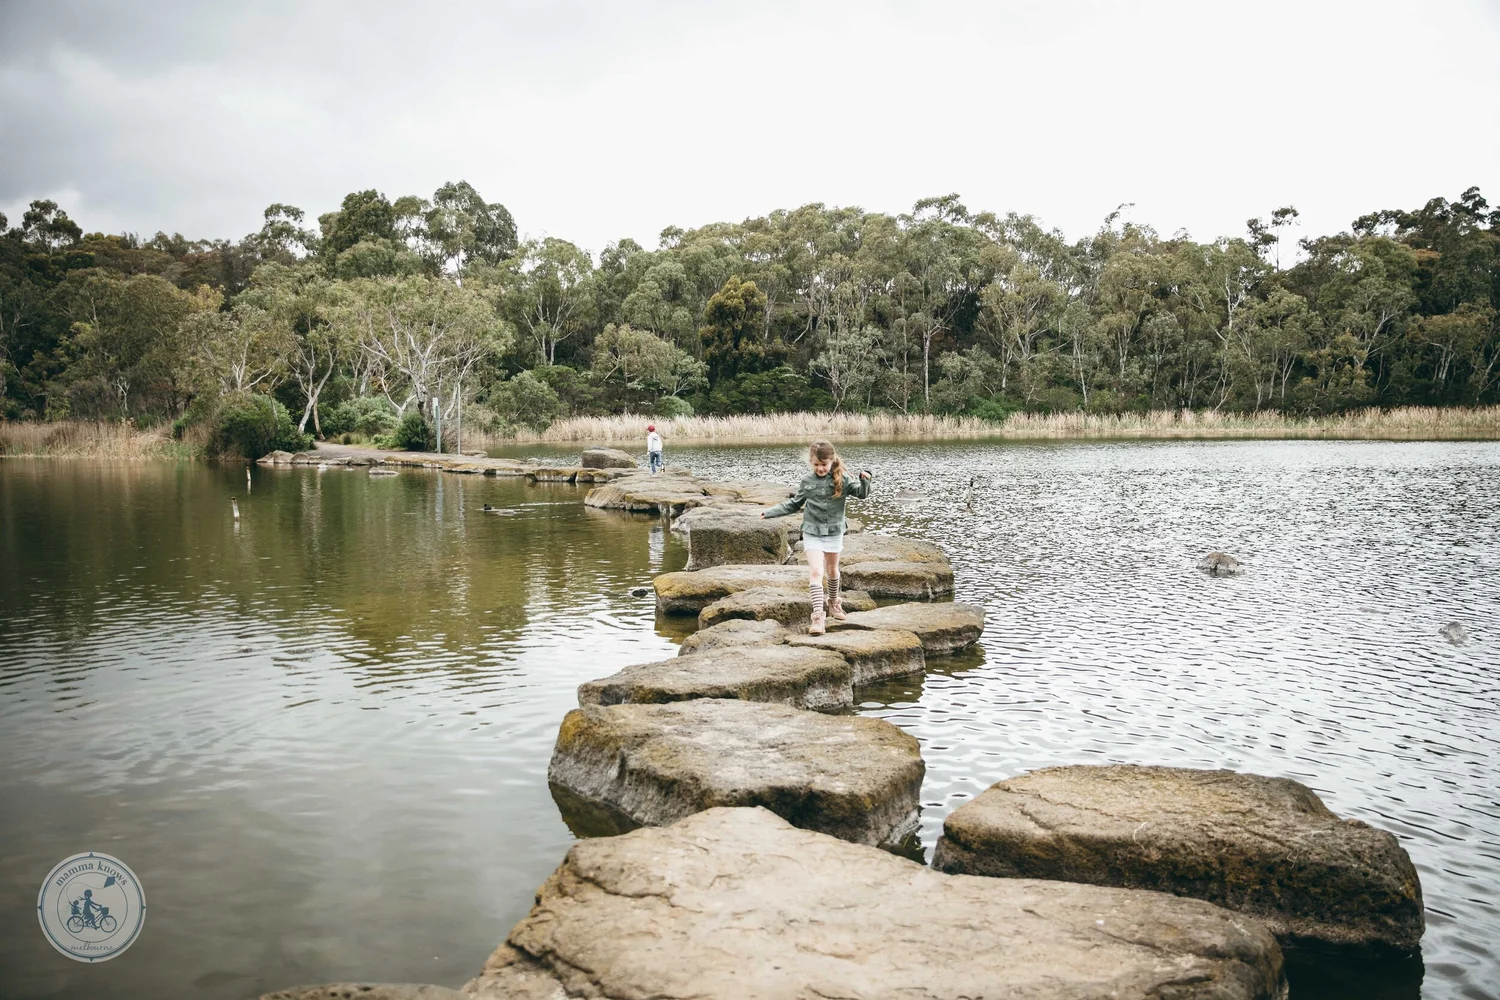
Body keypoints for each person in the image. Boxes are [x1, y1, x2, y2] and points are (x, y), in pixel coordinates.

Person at [760, 440, 872, 635]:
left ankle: (834, 603)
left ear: (831, 461)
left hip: (834, 532)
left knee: (833, 571)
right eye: (816, 465)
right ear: (811, 463)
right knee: (816, 572)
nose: (820, 468)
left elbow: (862, 494)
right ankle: (818, 617)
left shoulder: (843, 479)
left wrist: (866, 478)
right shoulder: (807, 481)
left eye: (824, 464)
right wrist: (770, 512)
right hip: (812, 532)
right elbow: (794, 504)